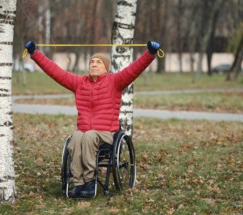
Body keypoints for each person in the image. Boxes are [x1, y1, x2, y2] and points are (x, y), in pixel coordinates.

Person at [24, 40, 160, 198]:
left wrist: (150, 54)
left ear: (105, 68)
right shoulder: (79, 83)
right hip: (84, 134)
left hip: (106, 134)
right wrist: (35, 53)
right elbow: (56, 72)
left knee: (89, 135)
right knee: (75, 137)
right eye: (91, 62)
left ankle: (89, 182)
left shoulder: (114, 81)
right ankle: (78, 183)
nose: (94, 64)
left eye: (98, 62)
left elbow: (133, 71)